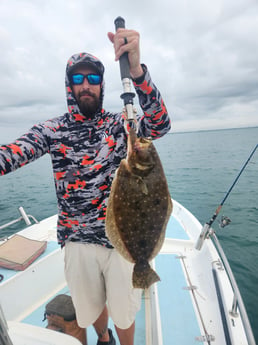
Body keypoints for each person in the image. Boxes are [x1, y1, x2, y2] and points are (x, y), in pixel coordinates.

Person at [0, 27, 171, 345]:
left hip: (122, 238)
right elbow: (12, 154)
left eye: (92, 78)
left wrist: (136, 71)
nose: (86, 85)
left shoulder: (121, 124)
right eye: (77, 79)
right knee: (91, 310)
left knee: (124, 312)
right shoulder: (52, 130)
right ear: (69, 86)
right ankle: (103, 338)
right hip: (77, 240)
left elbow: (160, 123)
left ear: (102, 84)